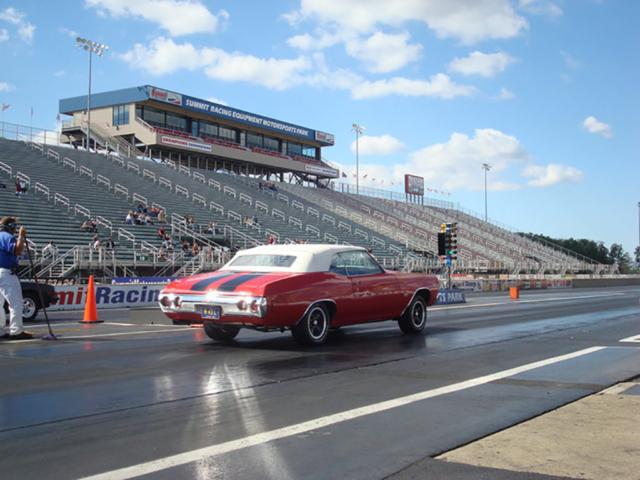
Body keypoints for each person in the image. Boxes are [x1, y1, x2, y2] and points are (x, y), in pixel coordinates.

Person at [0, 217, 32, 340]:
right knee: (16, 303)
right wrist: (21, 237)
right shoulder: (6, 237)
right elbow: (17, 250)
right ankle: (16, 330)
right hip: (5, 272)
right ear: (11, 226)